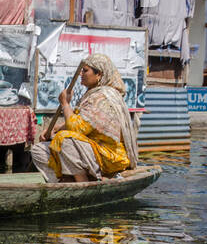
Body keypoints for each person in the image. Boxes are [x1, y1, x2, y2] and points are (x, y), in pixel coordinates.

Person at [31, 53, 138, 183]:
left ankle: (83, 183)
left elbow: (77, 129)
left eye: (85, 71)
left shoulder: (103, 98)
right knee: (38, 150)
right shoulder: (93, 94)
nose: (81, 74)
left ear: (99, 74)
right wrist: (54, 129)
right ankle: (64, 182)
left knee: (65, 140)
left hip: (109, 157)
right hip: (90, 151)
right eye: (81, 70)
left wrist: (65, 104)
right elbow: (82, 121)